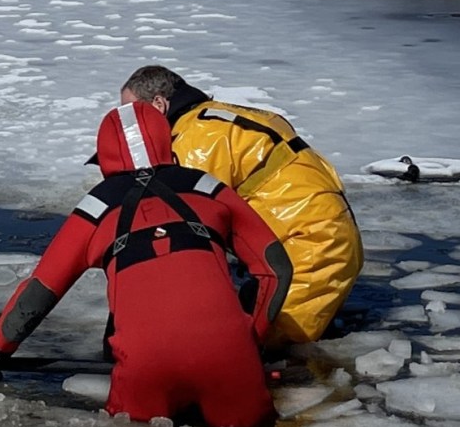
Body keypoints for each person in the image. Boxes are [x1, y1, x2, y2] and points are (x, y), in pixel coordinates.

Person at [0, 101, 292, 427]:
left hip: (146, 370)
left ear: (105, 159)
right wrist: (250, 340)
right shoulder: (209, 188)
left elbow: (39, 293)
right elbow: (276, 268)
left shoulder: (96, 207)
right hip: (230, 362)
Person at [119, 65, 363, 346]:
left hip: (309, 251)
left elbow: (192, 224)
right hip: (330, 237)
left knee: (243, 348)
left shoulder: (196, 141)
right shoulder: (229, 117)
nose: (128, 126)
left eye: (131, 113)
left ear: (159, 104)